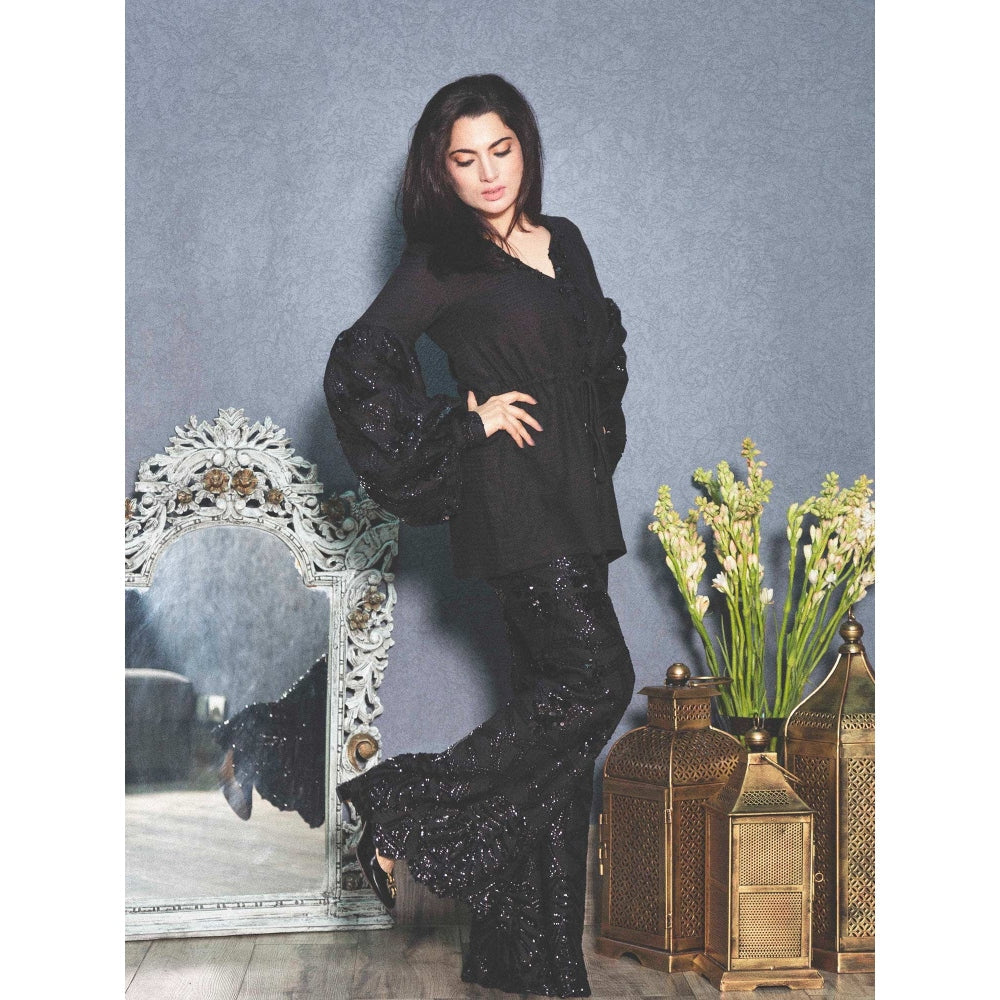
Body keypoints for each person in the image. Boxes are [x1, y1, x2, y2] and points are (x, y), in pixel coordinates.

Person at [324, 74, 634, 999]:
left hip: (576, 500)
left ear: (524, 147)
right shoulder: (442, 262)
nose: (490, 172)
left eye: (502, 149)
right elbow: (359, 364)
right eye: (466, 159)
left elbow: (597, 362)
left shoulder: (564, 240)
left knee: (559, 738)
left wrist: (586, 442)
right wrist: (465, 422)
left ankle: (529, 962)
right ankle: (398, 806)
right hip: (513, 504)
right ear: (442, 173)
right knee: (597, 681)